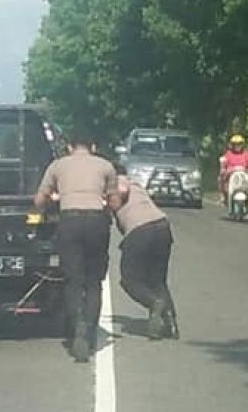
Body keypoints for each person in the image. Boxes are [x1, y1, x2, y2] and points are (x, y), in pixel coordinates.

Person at [34, 132, 121, 362]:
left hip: (69, 221)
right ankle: (90, 330)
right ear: (92, 146)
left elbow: (39, 200)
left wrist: (55, 198)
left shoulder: (58, 166)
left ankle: (77, 327)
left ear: (69, 147)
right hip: (96, 222)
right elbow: (114, 202)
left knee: (73, 280)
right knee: (93, 281)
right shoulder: (106, 166)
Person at [111, 165, 179, 340]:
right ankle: (171, 324)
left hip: (139, 231)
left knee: (129, 280)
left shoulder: (113, 187)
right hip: (162, 226)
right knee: (158, 281)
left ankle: (154, 303)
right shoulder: (137, 186)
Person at [218, 134, 248, 204]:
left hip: (244, 174)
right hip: (231, 174)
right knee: (220, 178)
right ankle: (223, 196)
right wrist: (223, 169)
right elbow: (224, 161)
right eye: (235, 144)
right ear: (232, 145)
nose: (237, 146)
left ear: (242, 145)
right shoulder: (229, 154)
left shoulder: (246, 154)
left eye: (239, 144)